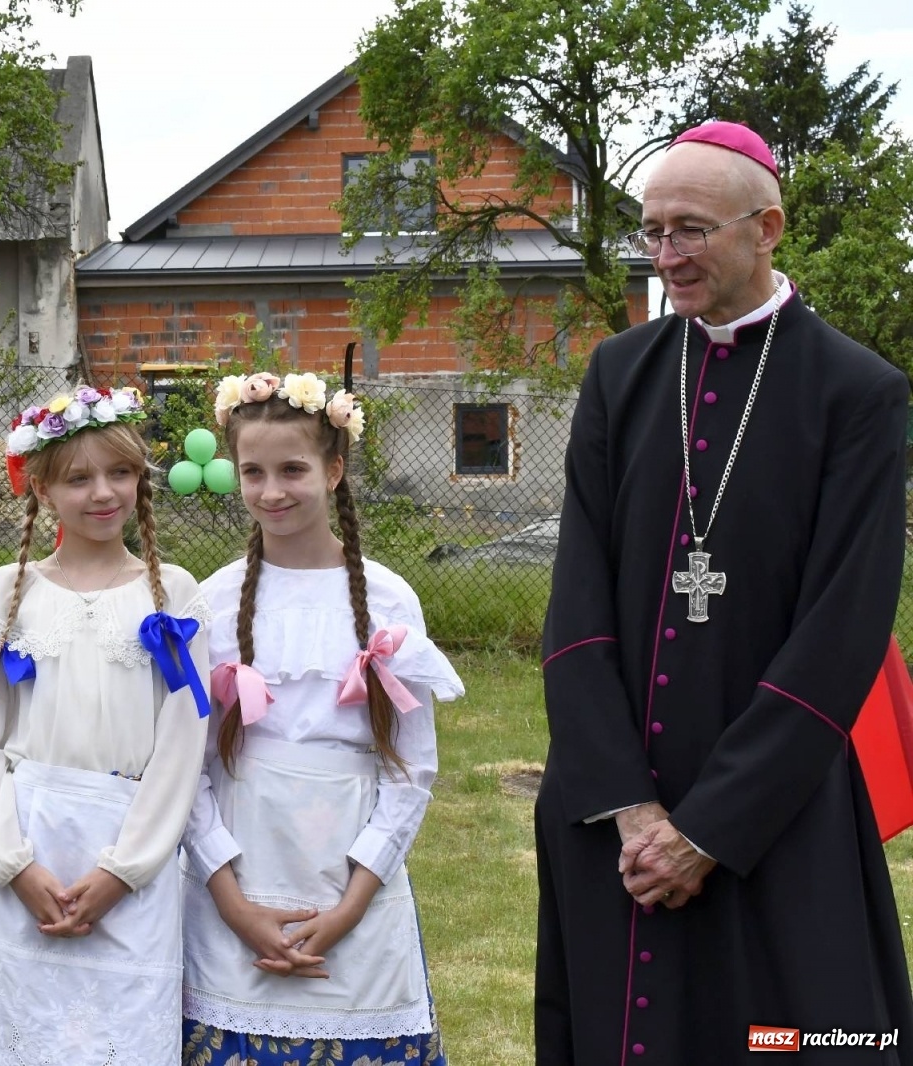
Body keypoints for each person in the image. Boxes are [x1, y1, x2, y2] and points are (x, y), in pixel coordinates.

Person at [536, 120, 913, 1063]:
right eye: (653, 231)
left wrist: (707, 830)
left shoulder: (856, 392)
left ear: (767, 227)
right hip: (612, 811)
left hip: (773, 811)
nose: (666, 257)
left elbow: (844, 629)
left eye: (690, 231)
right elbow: (576, 605)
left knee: (786, 1036)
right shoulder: (620, 375)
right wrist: (629, 806)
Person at [182, 373, 462, 1064]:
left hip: (351, 881)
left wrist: (349, 906)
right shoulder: (212, 602)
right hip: (238, 883)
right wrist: (234, 904)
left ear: (334, 470)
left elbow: (411, 769)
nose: (271, 491)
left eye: (293, 469)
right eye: (253, 471)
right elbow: (185, 769)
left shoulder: (388, 599)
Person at [0, 386, 209, 1063]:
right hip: (25, 855)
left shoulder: (172, 593)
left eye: (120, 473)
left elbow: (183, 743)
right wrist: (15, 865)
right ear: (41, 488)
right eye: (79, 478)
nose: (103, 492)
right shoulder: (9, 595)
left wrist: (124, 871)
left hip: (131, 860)